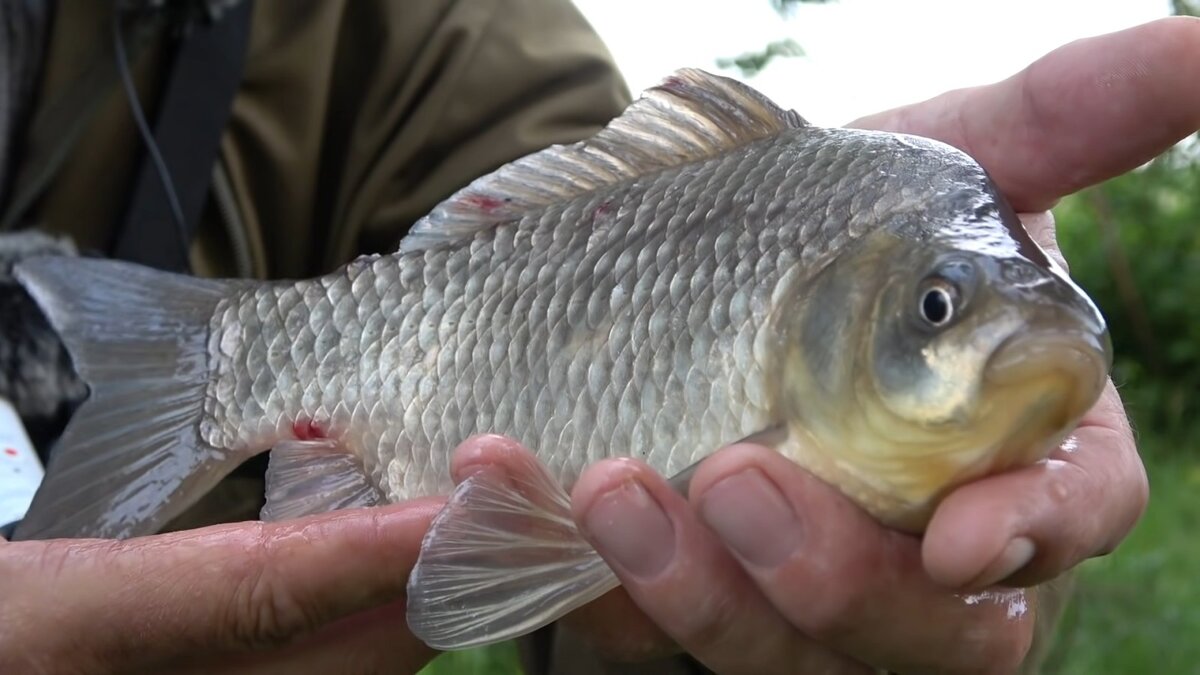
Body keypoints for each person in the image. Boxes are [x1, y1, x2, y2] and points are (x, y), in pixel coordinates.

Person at [0, 7, 1194, 674]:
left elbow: (519, 163)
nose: (968, 334)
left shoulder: (397, 34)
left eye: (937, 309)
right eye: (936, 310)